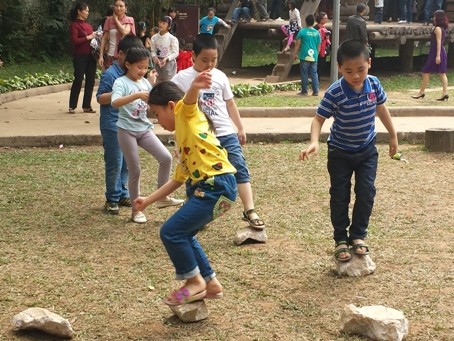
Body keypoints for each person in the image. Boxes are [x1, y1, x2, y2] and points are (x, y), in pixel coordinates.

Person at [135, 72, 237, 306]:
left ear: (171, 107)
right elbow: (177, 181)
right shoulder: (183, 142)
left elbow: (188, 102)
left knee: (170, 232)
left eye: (157, 114)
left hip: (215, 185)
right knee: (184, 233)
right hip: (215, 188)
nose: (157, 121)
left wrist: (195, 86)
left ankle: (194, 282)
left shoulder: (186, 115)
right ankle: (210, 284)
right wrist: (147, 201)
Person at [299, 39, 398, 262]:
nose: (355, 76)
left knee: (366, 192)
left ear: (369, 64)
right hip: (340, 152)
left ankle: (358, 236)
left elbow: (381, 109)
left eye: (360, 69)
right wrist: (314, 141)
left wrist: (393, 135)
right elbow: (318, 119)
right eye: (349, 71)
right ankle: (340, 239)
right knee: (340, 195)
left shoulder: (373, 84)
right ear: (340, 68)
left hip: (367, 150)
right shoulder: (335, 92)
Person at [171, 33, 265, 230]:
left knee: (239, 166)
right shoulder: (181, 79)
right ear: (193, 57)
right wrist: (178, 143)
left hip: (225, 132)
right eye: (204, 60)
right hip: (199, 137)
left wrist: (240, 127)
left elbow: (230, 104)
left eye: (213, 60)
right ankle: (194, 212)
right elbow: (177, 115)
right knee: (196, 174)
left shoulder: (220, 76)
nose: (209, 64)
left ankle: (250, 210)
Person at [111, 46, 183, 223]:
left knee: (166, 158)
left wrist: (151, 84)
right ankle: (136, 210)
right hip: (126, 130)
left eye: (145, 68)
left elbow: (151, 103)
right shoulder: (121, 82)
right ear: (128, 64)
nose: (142, 71)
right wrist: (135, 95)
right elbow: (114, 102)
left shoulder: (144, 82)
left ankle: (162, 197)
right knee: (134, 169)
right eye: (139, 67)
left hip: (144, 129)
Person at [96, 34, 144, 215]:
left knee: (126, 160)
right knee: (115, 160)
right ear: (121, 54)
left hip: (129, 123)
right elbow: (100, 98)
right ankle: (112, 198)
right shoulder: (110, 74)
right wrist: (119, 95)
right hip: (112, 123)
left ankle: (122, 192)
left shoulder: (132, 74)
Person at [411, 10, 449, 101]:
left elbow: (439, 42)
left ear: (438, 18)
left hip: (436, 52)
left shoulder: (438, 29)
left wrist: (438, 55)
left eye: (435, 17)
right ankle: (444, 93)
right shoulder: (442, 28)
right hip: (438, 51)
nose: (433, 18)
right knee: (441, 73)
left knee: (426, 72)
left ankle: (422, 92)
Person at [68, 1, 97, 114]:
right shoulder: (74, 25)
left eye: (88, 11)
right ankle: (72, 105)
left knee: (90, 81)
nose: (87, 13)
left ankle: (86, 105)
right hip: (80, 56)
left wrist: (95, 36)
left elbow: (92, 37)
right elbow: (75, 41)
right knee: (78, 79)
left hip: (91, 55)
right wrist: (88, 37)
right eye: (86, 10)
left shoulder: (88, 25)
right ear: (79, 11)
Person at [98, 0, 136, 70]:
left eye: (121, 6)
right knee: (110, 78)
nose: (118, 8)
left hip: (125, 56)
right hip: (111, 55)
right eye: (116, 6)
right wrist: (101, 56)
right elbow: (104, 39)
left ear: (126, 8)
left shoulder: (129, 20)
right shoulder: (108, 20)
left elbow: (125, 32)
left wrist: (116, 20)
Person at [292, 14, 321, 97]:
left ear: (305, 22)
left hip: (304, 55)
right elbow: (319, 46)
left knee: (304, 73)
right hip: (314, 56)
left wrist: (295, 54)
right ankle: (316, 91)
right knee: (314, 74)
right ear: (314, 22)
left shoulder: (302, 32)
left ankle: (304, 91)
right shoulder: (317, 33)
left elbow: (297, 44)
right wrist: (316, 55)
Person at [150, 16, 179, 83]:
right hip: (158, 62)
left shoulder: (172, 39)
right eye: (160, 22)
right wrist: (154, 57)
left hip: (168, 63)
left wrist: (167, 58)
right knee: (158, 82)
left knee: (168, 83)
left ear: (169, 26)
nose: (161, 24)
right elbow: (153, 50)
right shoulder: (154, 38)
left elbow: (175, 52)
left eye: (164, 23)